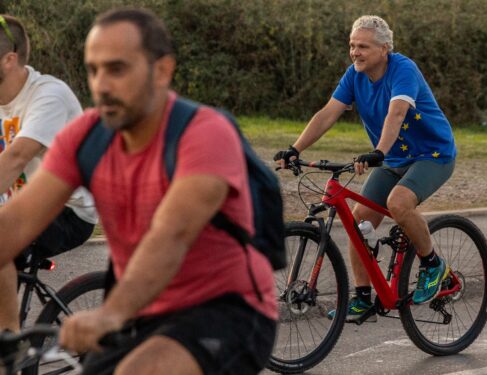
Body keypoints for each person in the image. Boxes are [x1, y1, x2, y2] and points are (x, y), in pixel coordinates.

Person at [0, 7, 277, 374]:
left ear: (162, 70)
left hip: (225, 311)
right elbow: (15, 224)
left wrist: (111, 313)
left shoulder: (204, 133)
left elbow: (170, 237)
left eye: (117, 69)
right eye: (94, 70)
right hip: (139, 308)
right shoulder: (85, 136)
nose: (102, 85)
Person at [274, 15, 457, 321]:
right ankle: (362, 299)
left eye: (363, 46)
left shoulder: (403, 69)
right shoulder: (354, 75)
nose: (355, 52)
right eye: (352, 46)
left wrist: (378, 152)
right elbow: (327, 113)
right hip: (392, 160)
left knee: (398, 202)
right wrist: (296, 148)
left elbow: (396, 114)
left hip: (433, 154)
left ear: (384, 49)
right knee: (360, 225)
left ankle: (432, 264)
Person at [0, 14, 98, 332]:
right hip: (23, 206)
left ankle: (8, 348)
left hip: (69, 211)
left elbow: (17, 156)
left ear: (8, 60)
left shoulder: (47, 96)